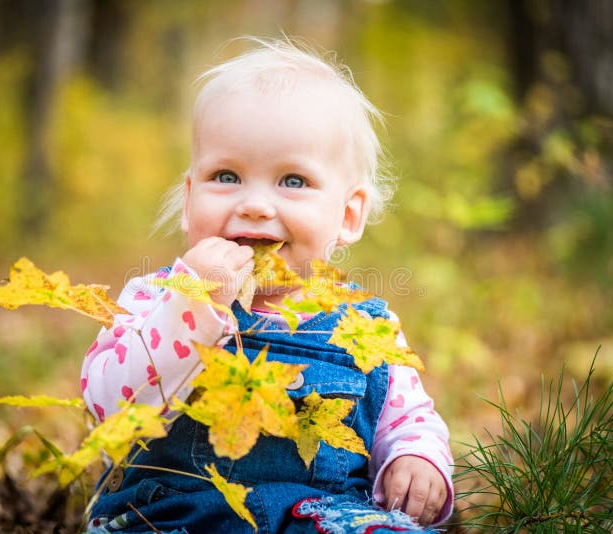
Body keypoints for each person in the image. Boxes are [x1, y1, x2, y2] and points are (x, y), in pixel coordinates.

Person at [80, 37, 453, 533]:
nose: (255, 204)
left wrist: (416, 458)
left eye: (293, 181)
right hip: (169, 513)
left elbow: (407, 418)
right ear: (191, 197)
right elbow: (108, 410)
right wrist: (191, 306)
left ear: (347, 215)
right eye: (227, 175)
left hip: (316, 517)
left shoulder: (367, 326)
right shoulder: (157, 298)